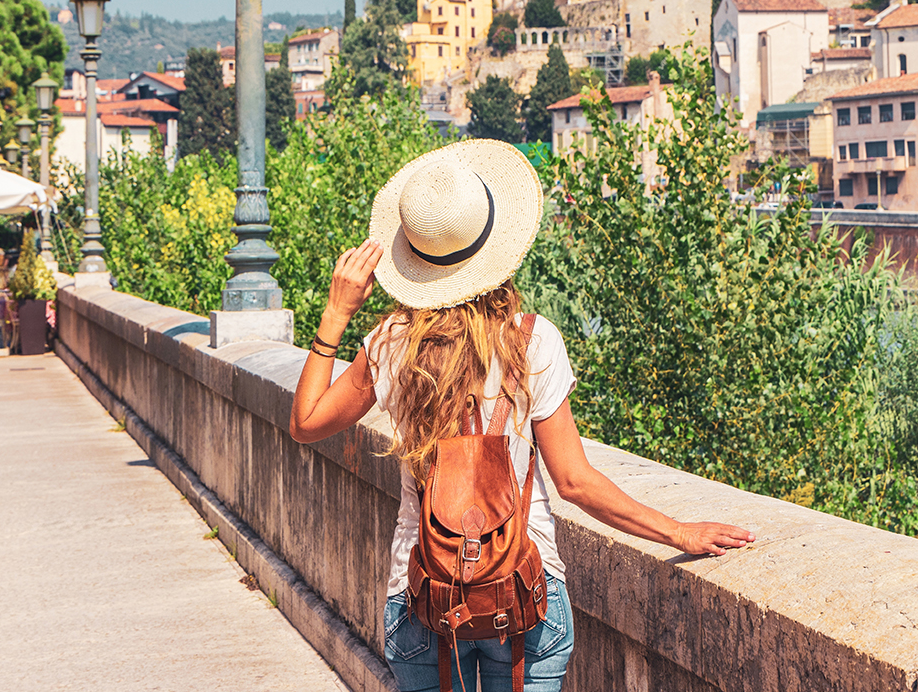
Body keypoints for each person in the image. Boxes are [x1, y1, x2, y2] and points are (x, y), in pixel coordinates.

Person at [289, 140, 753, 692]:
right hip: (526, 590)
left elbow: (306, 421)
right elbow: (575, 482)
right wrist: (679, 532)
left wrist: (337, 312)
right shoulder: (532, 342)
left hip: (424, 600)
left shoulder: (390, 346)